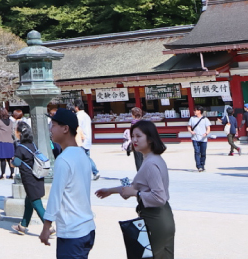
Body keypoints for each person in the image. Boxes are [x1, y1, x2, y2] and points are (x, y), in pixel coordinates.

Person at [97, 120, 174, 259]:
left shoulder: (150, 163)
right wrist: (111, 190)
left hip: (156, 218)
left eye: (138, 136)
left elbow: (159, 197)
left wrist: (136, 194)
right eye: (132, 136)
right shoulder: (152, 159)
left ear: (150, 139)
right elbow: (136, 186)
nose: (134, 140)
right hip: (159, 216)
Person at [39, 108, 96, 259]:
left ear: (65, 129)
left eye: (54, 125)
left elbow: (55, 196)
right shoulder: (82, 155)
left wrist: (46, 226)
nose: (51, 129)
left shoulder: (63, 160)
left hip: (72, 232)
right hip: (87, 227)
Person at [12, 122, 47, 236]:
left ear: (20, 134)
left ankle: (49, 227)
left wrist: (12, 162)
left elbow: (16, 162)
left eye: (16, 130)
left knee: (37, 203)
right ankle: (22, 226)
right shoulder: (33, 145)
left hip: (28, 179)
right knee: (29, 202)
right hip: (37, 175)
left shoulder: (20, 148)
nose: (15, 132)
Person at [75, 106, 100, 180]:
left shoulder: (79, 116)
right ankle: (93, 172)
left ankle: (94, 171)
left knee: (84, 158)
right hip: (87, 139)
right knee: (86, 157)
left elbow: (77, 127)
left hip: (81, 140)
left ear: (76, 107)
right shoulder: (87, 115)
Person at [0, 109, 16, 179]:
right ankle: (13, 173)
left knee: (2, 159)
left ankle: (3, 174)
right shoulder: (11, 121)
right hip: (10, 141)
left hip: (2, 141)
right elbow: (12, 131)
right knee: (10, 159)